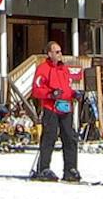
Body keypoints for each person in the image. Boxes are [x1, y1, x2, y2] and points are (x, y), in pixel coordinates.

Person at [30, 40, 81, 182]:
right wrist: (50, 94)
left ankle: (70, 169)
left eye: (60, 51)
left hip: (65, 107)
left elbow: (67, 88)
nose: (60, 54)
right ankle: (43, 168)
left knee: (70, 137)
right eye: (57, 52)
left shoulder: (64, 69)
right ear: (49, 53)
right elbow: (36, 90)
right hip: (50, 108)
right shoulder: (43, 69)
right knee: (49, 137)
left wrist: (74, 94)